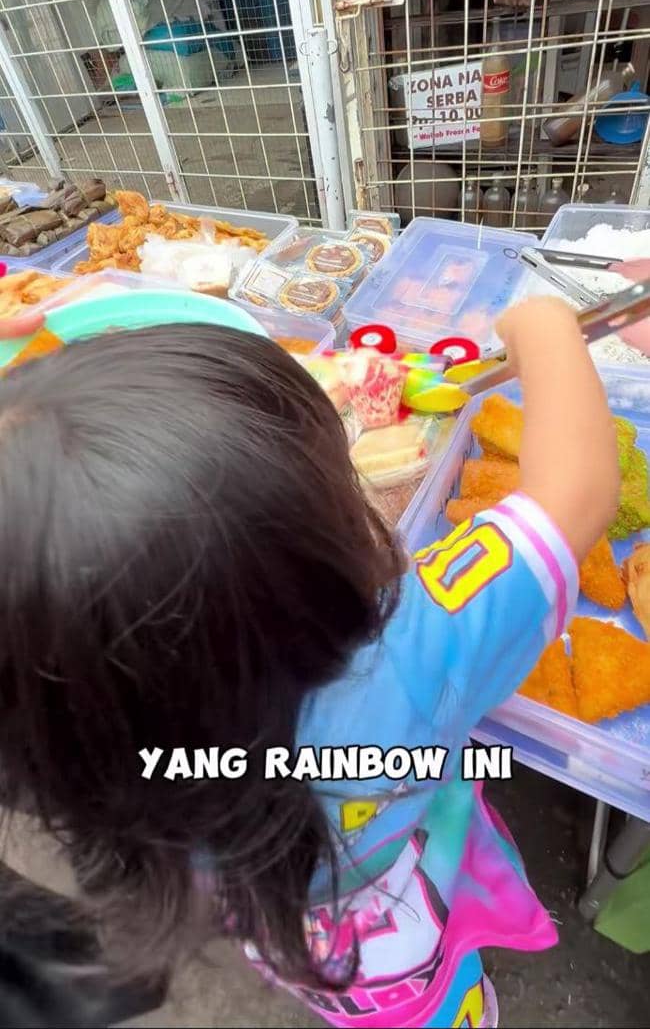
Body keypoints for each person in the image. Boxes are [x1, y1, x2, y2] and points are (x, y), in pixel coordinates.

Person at [0, 297, 619, 1029]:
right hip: (404, 944)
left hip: (267, 918)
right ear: (306, 565)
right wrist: (544, 322)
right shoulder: (411, 656)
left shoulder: (60, 738)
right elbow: (576, 492)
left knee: (315, 965)